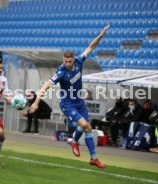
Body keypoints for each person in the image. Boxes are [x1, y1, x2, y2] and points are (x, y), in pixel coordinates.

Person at [29, 24, 110, 169]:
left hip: (79, 101)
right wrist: (36, 102)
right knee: (85, 125)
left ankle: (91, 157)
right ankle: (76, 142)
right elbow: (46, 85)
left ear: (73, 59)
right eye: (65, 61)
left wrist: (101, 34)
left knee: (88, 127)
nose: (67, 64)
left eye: (69, 61)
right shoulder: (61, 72)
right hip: (67, 104)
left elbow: (91, 47)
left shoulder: (79, 61)